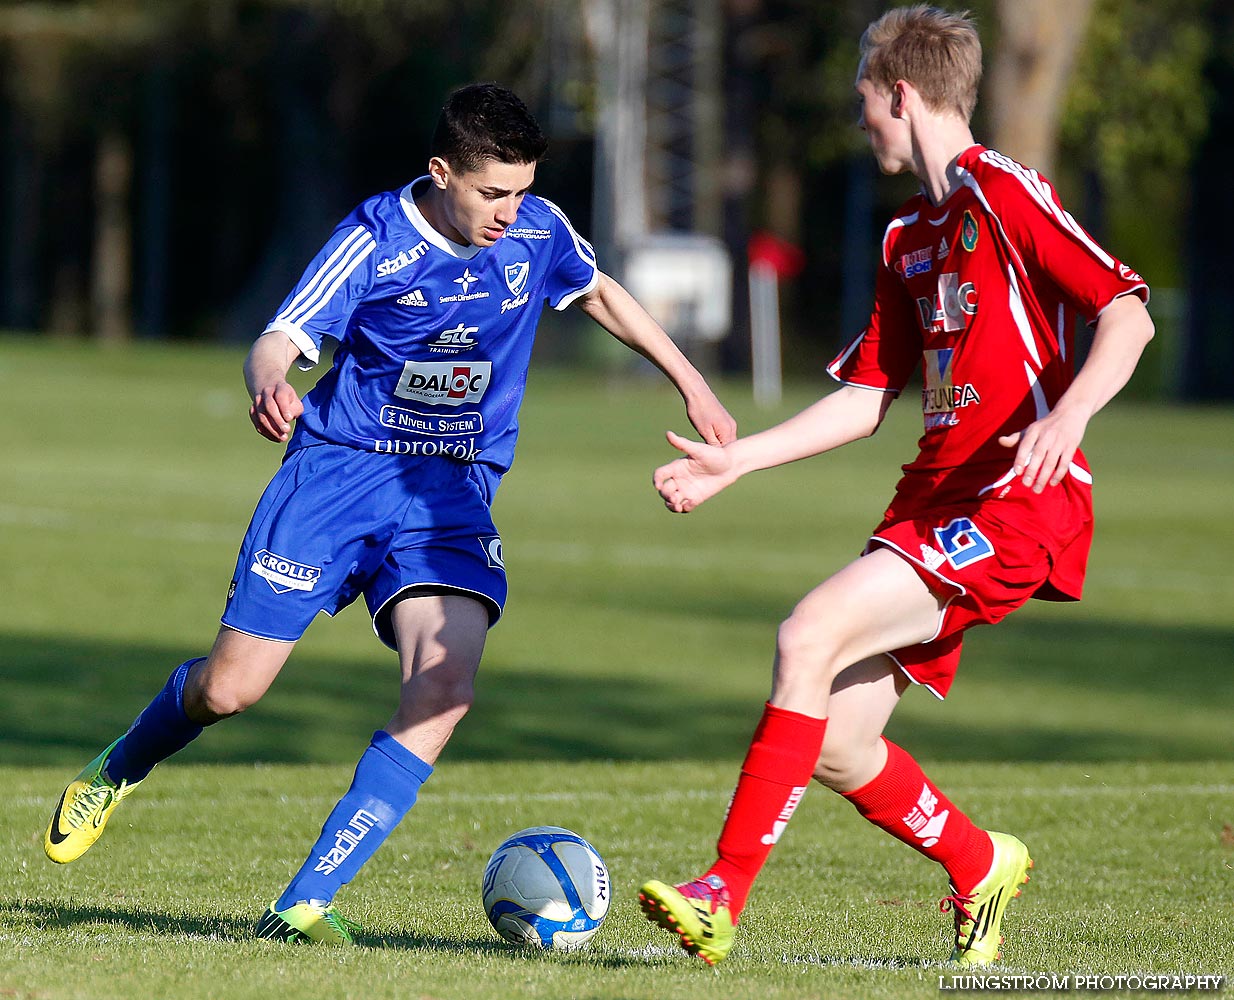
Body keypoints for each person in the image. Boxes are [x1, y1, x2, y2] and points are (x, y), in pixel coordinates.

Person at [44, 82, 735, 944]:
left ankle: (303, 903)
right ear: (441, 171)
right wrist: (269, 383)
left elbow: (597, 291)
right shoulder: (373, 240)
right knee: (230, 690)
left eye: (521, 190)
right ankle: (121, 764)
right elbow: (281, 337)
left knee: (445, 689)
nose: (509, 212)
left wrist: (692, 379)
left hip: (449, 491)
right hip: (337, 478)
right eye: (492, 193)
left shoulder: (539, 228)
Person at [637, 4, 1154, 968]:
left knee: (807, 634)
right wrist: (734, 461)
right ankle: (980, 861)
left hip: (1015, 502)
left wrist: (1069, 415)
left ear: (902, 93)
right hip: (933, 508)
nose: (861, 120)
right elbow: (866, 398)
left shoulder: (1002, 192)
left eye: (864, 102)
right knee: (834, 741)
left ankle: (721, 894)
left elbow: (1125, 309)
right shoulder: (905, 237)